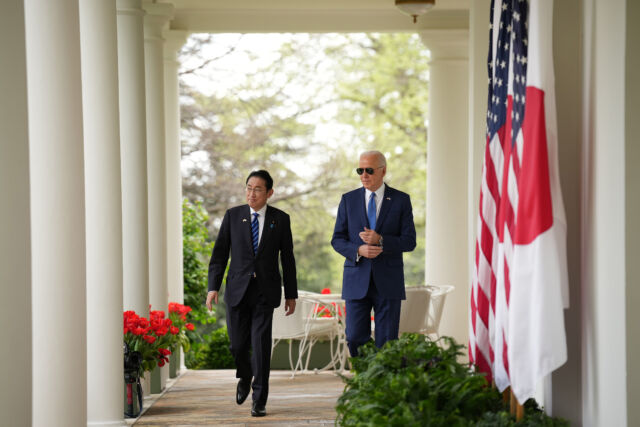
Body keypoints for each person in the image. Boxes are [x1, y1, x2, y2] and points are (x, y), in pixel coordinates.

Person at [206, 170, 297, 417]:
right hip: (237, 290)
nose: (251, 193)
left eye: (257, 189)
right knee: (237, 345)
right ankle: (245, 376)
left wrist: (291, 293)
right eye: (248, 188)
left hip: (264, 292)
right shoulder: (233, 216)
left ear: (269, 193)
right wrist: (213, 287)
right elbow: (220, 254)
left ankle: (259, 399)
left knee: (260, 346)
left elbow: (287, 258)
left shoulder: (280, 219)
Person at [331, 150, 416, 357]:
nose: (364, 175)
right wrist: (358, 250)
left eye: (369, 170)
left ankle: (383, 385)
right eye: (360, 170)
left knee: (387, 341)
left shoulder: (400, 200)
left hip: (388, 281)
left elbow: (409, 241)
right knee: (354, 337)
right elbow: (337, 239)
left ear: (383, 171)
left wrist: (381, 240)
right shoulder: (348, 200)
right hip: (356, 279)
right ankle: (365, 381)